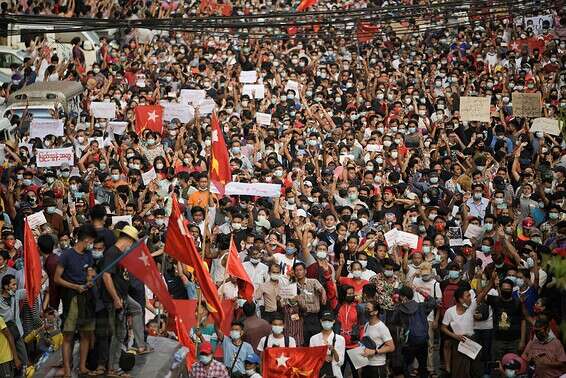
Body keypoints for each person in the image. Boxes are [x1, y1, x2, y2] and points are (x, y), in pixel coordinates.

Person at [102, 225, 151, 378]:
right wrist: (116, 298)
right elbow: (106, 276)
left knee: (137, 309)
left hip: (123, 296)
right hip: (115, 298)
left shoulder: (120, 254)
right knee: (119, 333)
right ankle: (114, 368)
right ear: (128, 240)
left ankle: (140, 343)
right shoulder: (112, 253)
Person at [54, 224, 98, 377]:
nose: (91, 244)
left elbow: (90, 272)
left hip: (86, 299)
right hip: (71, 299)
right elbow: (57, 278)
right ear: (86, 240)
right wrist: (75, 286)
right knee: (68, 335)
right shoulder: (66, 255)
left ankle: (82, 366)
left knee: (86, 334)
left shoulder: (88, 255)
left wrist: (90, 279)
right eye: (91, 241)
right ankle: (67, 370)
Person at [360, 301, 395, 378]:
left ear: (375, 312)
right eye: (365, 308)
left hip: (377, 366)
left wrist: (375, 351)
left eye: (368, 309)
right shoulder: (367, 325)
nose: (365, 310)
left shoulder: (382, 327)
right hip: (366, 364)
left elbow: (391, 347)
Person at [309, 310, 346, 378]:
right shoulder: (313, 339)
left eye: (329, 320)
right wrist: (323, 357)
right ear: (321, 321)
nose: (327, 322)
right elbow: (311, 359)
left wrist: (333, 351)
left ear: (333, 321)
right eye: (325, 320)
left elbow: (341, 362)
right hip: (319, 373)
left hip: (335, 374)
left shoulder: (340, 339)